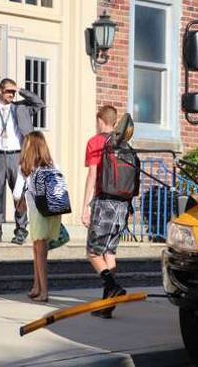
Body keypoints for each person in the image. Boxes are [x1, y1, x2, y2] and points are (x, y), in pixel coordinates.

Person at [0, 78, 45, 244]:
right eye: (8, 91)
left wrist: (20, 89)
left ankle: (21, 230)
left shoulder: (21, 108)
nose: (11, 94)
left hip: (18, 156)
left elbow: (39, 103)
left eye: (13, 92)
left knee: (19, 194)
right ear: (1, 91)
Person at [82, 105, 127, 319]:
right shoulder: (123, 143)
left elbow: (92, 176)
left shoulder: (96, 141)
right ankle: (107, 305)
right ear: (115, 122)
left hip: (104, 202)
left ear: (101, 120)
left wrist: (85, 207)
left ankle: (113, 285)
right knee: (109, 252)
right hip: (122, 205)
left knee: (93, 252)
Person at [13, 132, 62, 303]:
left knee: (39, 253)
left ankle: (44, 291)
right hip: (53, 212)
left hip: (37, 214)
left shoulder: (26, 168)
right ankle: (36, 286)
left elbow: (16, 193)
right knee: (39, 251)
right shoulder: (53, 165)